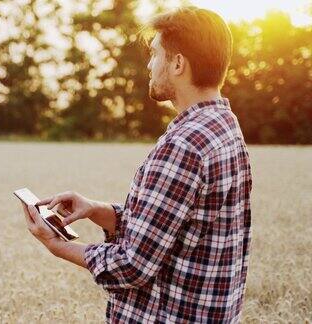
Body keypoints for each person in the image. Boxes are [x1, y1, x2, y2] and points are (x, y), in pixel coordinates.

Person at [20, 6, 252, 323]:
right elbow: (173, 230)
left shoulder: (182, 145)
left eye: (155, 54)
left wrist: (56, 245)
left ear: (178, 63)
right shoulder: (224, 125)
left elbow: (133, 265)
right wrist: (96, 209)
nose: (149, 64)